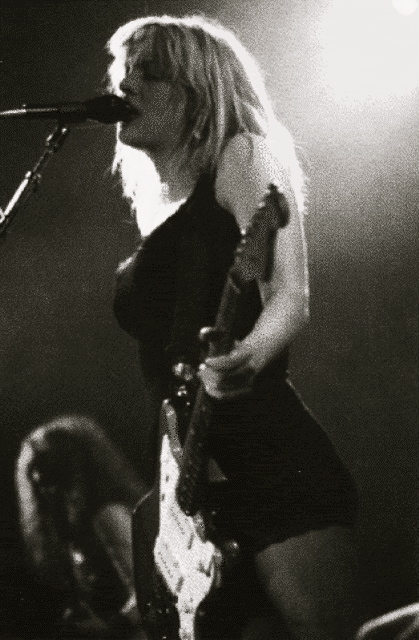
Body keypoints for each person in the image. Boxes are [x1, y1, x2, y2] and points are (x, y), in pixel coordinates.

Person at [109, 14, 359, 640]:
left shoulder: (242, 153)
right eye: (122, 72)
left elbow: (290, 297)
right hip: (200, 483)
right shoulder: (163, 208)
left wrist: (247, 354)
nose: (125, 85)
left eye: (149, 73)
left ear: (199, 93)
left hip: (271, 465)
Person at [15, 414, 146, 638]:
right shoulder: (73, 533)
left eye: (47, 466)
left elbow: (150, 590)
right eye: (34, 469)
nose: (37, 479)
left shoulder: (108, 516)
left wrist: (112, 626)